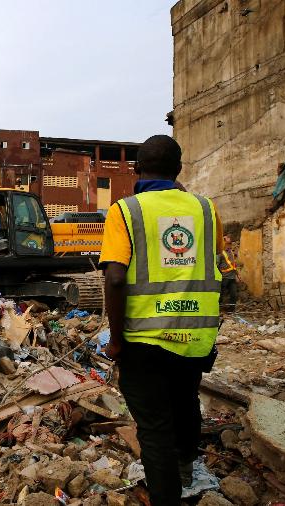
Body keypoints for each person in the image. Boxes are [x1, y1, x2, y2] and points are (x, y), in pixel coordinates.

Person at [99, 135, 223, 506]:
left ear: (137, 169)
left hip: (144, 343)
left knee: (154, 430)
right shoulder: (206, 209)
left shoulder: (125, 211)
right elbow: (216, 266)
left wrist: (117, 340)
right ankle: (186, 466)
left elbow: (116, 278)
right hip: (195, 337)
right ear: (179, 169)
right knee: (185, 401)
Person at [218, 235, 239, 312]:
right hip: (224, 277)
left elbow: (233, 265)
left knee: (234, 295)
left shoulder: (231, 252)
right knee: (220, 294)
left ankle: (231, 310)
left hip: (232, 277)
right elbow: (217, 265)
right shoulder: (220, 253)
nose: (229, 245)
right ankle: (217, 309)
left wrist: (237, 274)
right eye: (228, 243)